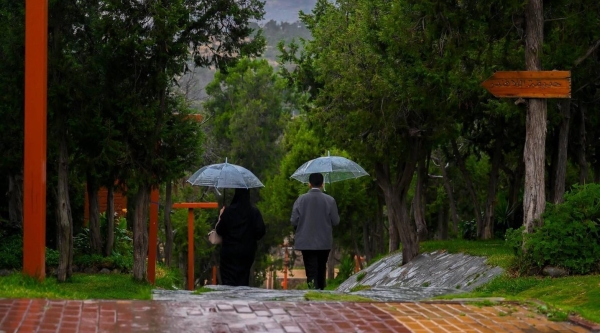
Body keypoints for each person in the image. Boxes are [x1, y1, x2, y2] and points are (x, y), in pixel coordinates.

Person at [290, 173, 340, 290]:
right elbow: (336, 221)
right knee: (321, 267)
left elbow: (294, 221)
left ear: (309, 184)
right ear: (322, 184)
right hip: (324, 242)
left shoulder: (301, 200)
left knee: (311, 269)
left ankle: (313, 291)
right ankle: (321, 291)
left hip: (306, 241)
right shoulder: (330, 200)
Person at [216, 188, 266, 286]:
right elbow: (261, 231)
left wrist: (221, 215)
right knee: (243, 278)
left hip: (229, 252)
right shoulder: (254, 212)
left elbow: (219, 230)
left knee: (228, 280)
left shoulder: (228, 211)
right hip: (247, 252)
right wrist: (251, 237)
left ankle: (229, 299)